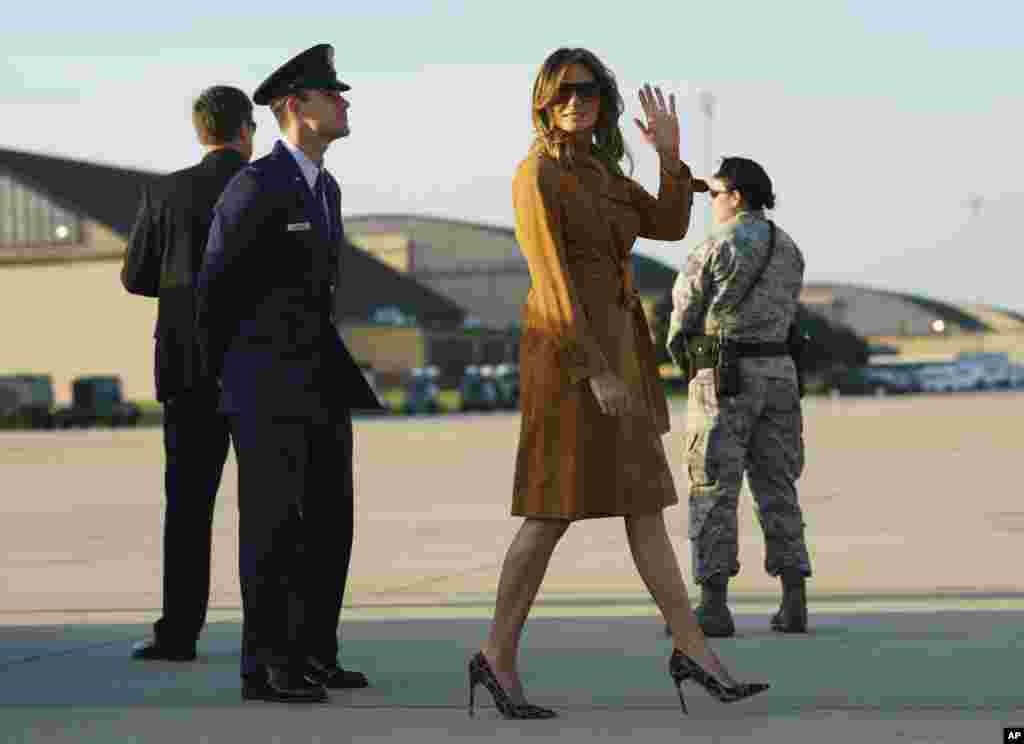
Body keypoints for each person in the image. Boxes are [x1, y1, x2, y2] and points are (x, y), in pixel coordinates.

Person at [468, 48, 770, 721]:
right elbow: (551, 282)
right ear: (544, 101)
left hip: (621, 356)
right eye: (564, 92)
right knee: (550, 511)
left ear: (604, 102)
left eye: (590, 91)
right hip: (568, 362)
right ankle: (496, 657)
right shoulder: (537, 174)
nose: (577, 102)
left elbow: (667, 224)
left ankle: (693, 650)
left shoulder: (602, 173)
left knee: (644, 504)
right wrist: (595, 368)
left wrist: (670, 157)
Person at [196, 43, 382, 704]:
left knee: (330, 521)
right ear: (295, 106)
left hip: (319, 381)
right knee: (273, 527)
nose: (344, 102)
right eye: (332, 94)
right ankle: (268, 664)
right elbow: (214, 291)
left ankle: (314, 653)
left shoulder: (325, 187)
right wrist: (229, 383)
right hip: (264, 384)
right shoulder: (256, 185)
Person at [122, 85, 255, 662]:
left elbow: (136, 278)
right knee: (267, 509)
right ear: (246, 130)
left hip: (184, 367)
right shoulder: (263, 185)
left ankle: (178, 632)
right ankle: (270, 639)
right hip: (256, 366)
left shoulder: (165, 192)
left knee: (186, 506)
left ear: (202, 132)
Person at [666, 156, 812, 639]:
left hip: (725, 375)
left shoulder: (716, 245)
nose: (711, 203)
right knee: (778, 485)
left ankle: (713, 606)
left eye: (714, 194)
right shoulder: (789, 248)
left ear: (736, 196)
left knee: (712, 486)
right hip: (780, 374)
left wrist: (691, 366)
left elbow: (682, 320)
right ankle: (794, 600)